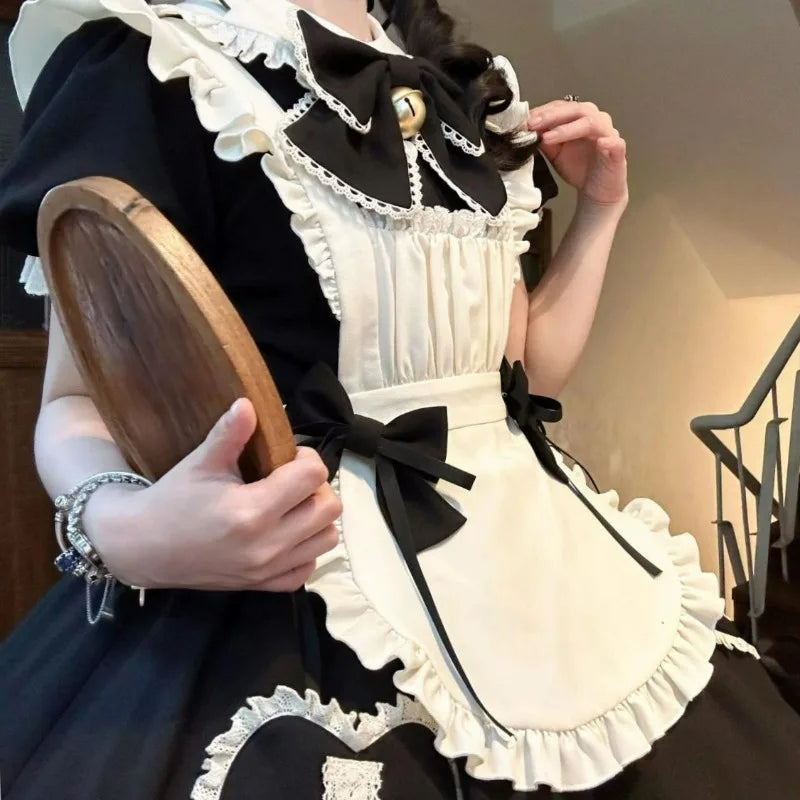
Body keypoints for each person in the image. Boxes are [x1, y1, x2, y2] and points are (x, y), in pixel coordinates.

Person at [0, 0, 798, 797]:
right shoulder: (156, 60)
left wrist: (601, 210)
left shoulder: (463, 92)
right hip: (291, 575)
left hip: (532, 565)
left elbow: (518, 378)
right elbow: (76, 400)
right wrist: (127, 531)